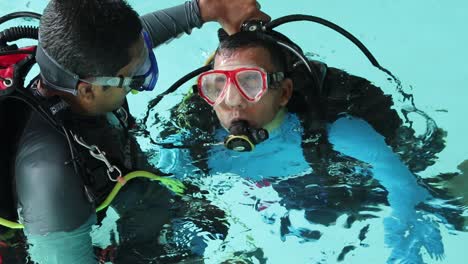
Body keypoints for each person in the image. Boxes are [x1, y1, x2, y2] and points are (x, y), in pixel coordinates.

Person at [0, 0, 268, 263]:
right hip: (59, 229)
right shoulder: (51, 177)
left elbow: (129, 45)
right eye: (135, 76)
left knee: (209, 222)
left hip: (113, 177)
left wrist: (207, 9)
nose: (141, 80)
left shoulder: (80, 71)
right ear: (88, 90)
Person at [153, 30, 448, 263]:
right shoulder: (193, 144)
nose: (231, 99)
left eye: (250, 83)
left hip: (335, 189)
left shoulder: (330, 131)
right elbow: (161, 201)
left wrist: (403, 225)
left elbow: (401, 181)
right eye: (217, 86)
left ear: (284, 93)